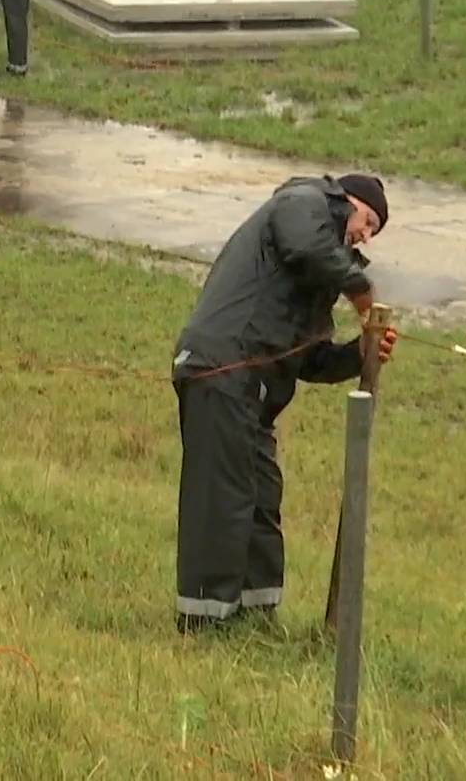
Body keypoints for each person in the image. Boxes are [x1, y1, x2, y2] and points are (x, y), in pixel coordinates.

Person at [167, 173, 400, 634]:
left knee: (260, 500)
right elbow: (305, 245)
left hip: (252, 392)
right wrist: (361, 290)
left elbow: (308, 357)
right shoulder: (304, 200)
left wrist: (359, 354)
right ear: (346, 200)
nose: (366, 234)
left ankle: (256, 619)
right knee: (223, 500)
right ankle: (203, 624)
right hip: (222, 369)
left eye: (374, 231)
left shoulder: (320, 274)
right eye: (368, 220)